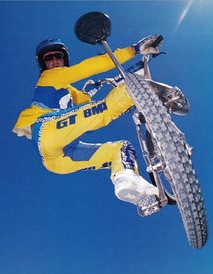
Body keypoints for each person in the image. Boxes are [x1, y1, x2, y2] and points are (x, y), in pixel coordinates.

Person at [13, 36, 162, 214]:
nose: (54, 61)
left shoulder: (67, 90)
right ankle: (153, 91)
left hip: (58, 161)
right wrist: (134, 50)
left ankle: (128, 181)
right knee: (108, 108)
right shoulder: (49, 77)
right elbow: (88, 67)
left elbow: (81, 101)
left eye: (57, 56)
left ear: (63, 59)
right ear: (43, 64)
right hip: (47, 129)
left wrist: (95, 89)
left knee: (121, 149)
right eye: (48, 58)